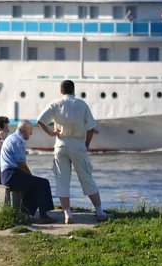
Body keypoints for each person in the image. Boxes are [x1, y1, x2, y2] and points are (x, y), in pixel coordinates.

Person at [38, 80, 109, 224]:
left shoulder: (55, 104)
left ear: (61, 91)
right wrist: (86, 144)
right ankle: (100, 211)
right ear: (74, 90)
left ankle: (67, 214)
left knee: (62, 180)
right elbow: (90, 128)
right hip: (78, 144)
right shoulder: (81, 104)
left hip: (61, 144)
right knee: (86, 177)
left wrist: (52, 133)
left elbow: (40, 120)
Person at [0, 120, 56, 224]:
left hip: (7, 175)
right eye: (31, 130)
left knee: (34, 183)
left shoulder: (11, 138)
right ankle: (43, 216)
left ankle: (25, 212)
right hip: (11, 174)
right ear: (25, 130)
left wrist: (31, 179)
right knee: (43, 183)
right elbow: (22, 165)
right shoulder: (18, 141)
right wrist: (31, 177)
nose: (31, 133)